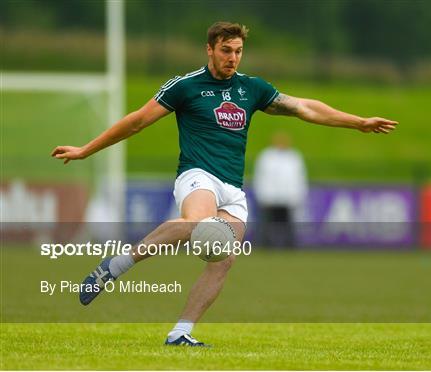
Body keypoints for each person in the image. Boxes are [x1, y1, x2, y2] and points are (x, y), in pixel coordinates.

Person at [51, 21, 398, 347]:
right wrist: (86, 150)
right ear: (210, 50)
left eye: (238, 51)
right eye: (226, 50)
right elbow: (137, 121)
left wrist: (358, 122)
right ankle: (116, 265)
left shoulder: (252, 89)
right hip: (197, 174)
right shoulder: (185, 87)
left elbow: (304, 107)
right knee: (200, 225)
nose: (233, 58)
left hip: (233, 188)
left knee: (224, 259)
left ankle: (180, 333)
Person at [253, 132, 307, 247]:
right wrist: (261, 194)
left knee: (288, 223)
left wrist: (298, 194)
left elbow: (299, 177)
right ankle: (265, 244)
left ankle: (289, 245)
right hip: (269, 196)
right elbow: (260, 176)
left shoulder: (294, 156)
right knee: (267, 222)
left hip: (288, 196)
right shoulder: (266, 156)